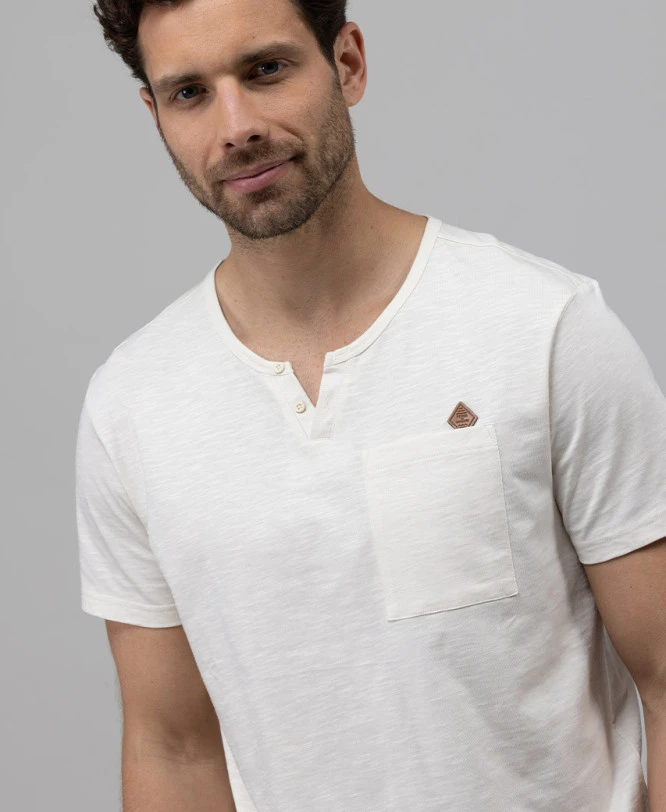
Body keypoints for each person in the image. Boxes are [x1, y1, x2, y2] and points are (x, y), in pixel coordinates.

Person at [75, 1, 666, 810]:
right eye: (190, 93)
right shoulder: (132, 405)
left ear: (346, 63)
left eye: (266, 70)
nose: (236, 127)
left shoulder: (544, 330)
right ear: (156, 116)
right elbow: (172, 749)